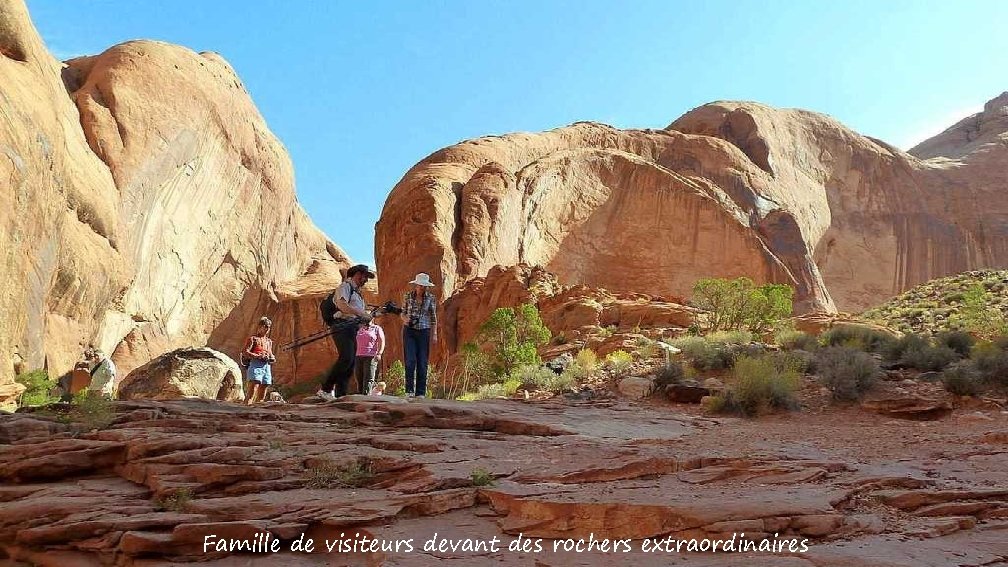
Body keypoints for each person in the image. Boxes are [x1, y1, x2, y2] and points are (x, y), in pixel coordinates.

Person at [317, 264, 375, 401]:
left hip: (351, 328)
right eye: (365, 276)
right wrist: (361, 314)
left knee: (350, 362)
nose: (366, 280)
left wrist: (363, 320)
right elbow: (342, 305)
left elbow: (355, 315)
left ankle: (341, 395)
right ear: (358, 275)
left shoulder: (357, 293)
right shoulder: (345, 287)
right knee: (346, 358)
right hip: (341, 325)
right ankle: (325, 389)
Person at [400, 272, 438, 398]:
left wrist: (434, 334)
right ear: (416, 285)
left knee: (422, 362)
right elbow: (402, 312)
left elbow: (433, 317)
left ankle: (420, 392)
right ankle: (409, 390)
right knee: (410, 360)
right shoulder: (408, 296)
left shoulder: (431, 298)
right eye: (420, 285)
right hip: (409, 331)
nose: (422, 288)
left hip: (424, 331)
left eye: (424, 286)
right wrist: (405, 319)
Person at [244, 316, 276, 405]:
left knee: (264, 387)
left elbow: (270, 353)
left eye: (268, 327)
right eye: (265, 326)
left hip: (266, 366)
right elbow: (245, 352)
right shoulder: (253, 339)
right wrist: (257, 356)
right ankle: (245, 409)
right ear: (259, 326)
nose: (266, 329)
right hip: (256, 364)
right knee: (253, 388)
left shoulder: (269, 341)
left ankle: (258, 410)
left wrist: (272, 358)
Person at [354, 319, 385, 395]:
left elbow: (382, 341)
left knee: (368, 377)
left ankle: (366, 396)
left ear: (372, 319)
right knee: (359, 376)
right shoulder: (359, 328)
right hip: (358, 355)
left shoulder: (376, 328)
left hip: (371, 356)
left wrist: (379, 353)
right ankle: (360, 396)